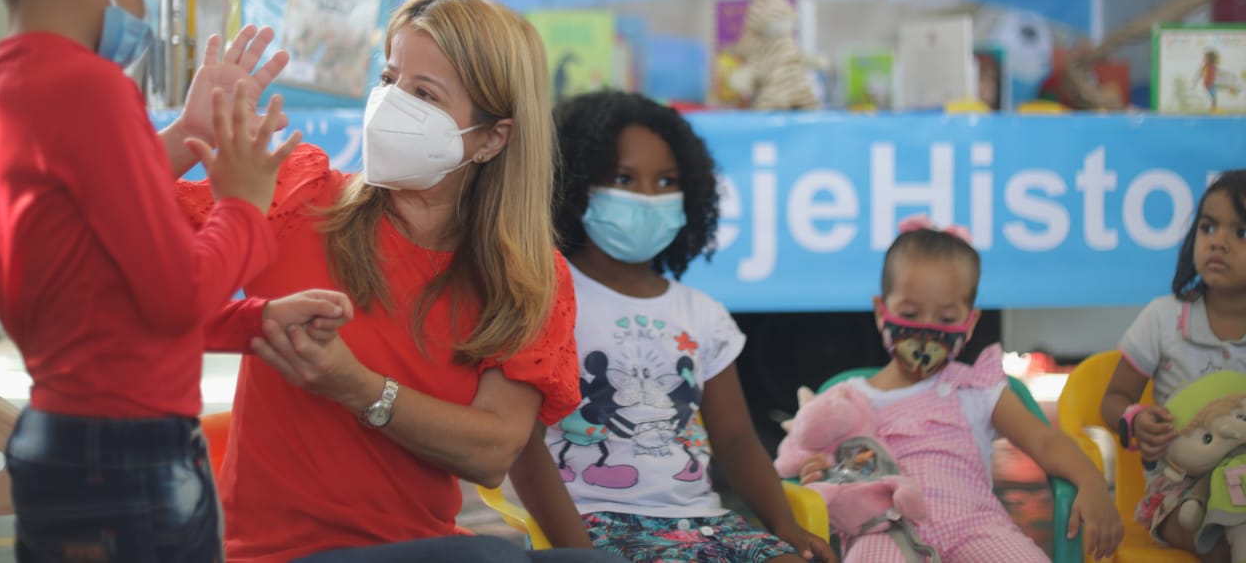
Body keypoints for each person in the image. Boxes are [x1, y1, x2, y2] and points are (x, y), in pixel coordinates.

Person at [0, 0, 351, 562]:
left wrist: (186, 137)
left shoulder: (2, 91)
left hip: (61, 442)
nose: (144, 2)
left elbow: (90, 251)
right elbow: (175, 292)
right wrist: (243, 199)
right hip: (130, 461)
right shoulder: (93, 90)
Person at [176, 0, 619, 563]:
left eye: (423, 94)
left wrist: (355, 386)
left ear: (492, 137)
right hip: (283, 555)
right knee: (486, 557)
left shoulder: (528, 276)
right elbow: (110, 235)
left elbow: (492, 450)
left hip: (427, 550)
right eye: (388, 79)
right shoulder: (300, 195)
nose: (389, 103)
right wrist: (186, 132)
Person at [509, 90, 836, 562]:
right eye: (624, 178)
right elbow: (524, 445)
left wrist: (785, 526)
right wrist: (580, 554)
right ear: (576, 182)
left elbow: (737, 439)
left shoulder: (703, 314)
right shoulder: (547, 295)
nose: (648, 197)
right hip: (598, 525)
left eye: (666, 181)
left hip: (705, 524)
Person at [785, 220, 1123, 562]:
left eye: (946, 319)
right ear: (880, 310)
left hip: (976, 529)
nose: (927, 329)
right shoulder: (846, 399)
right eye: (910, 313)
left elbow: (1044, 441)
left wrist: (1091, 481)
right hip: (884, 530)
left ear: (971, 321)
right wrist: (818, 470)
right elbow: (814, 466)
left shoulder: (975, 387)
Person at [1101, 170, 1246, 562]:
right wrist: (1136, 421)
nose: (1218, 242)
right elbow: (1113, 399)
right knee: (1231, 539)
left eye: (1241, 233)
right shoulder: (1163, 319)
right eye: (1208, 226)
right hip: (1179, 496)